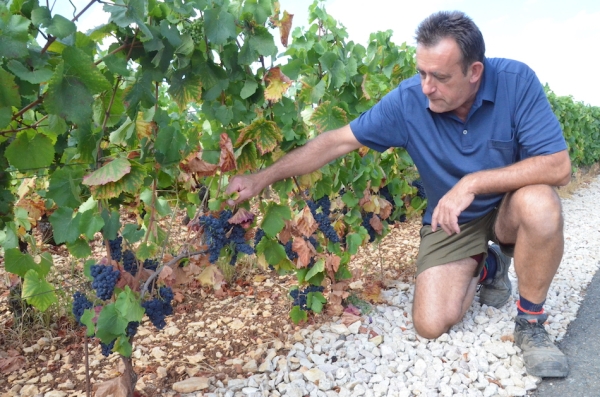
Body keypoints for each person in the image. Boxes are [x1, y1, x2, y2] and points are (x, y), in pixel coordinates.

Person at [225, 10, 571, 378]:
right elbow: (336, 142)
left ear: (474, 73)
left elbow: (559, 167)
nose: (426, 87)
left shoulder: (516, 82)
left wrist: (471, 183)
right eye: (421, 73)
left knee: (540, 203)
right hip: (454, 220)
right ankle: (488, 266)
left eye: (439, 77)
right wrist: (262, 178)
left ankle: (531, 323)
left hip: (507, 207)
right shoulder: (408, 102)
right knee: (430, 323)